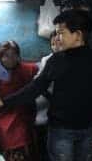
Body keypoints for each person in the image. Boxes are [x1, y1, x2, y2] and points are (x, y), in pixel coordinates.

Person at [0, 9, 92, 161]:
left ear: (78, 35)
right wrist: (3, 102)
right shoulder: (56, 60)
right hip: (61, 132)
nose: (57, 38)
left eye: (61, 33)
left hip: (88, 131)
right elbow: (35, 88)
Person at [0, 41, 38, 161]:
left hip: (19, 108)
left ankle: (22, 156)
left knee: (23, 126)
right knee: (5, 129)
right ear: (0, 56)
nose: (11, 59)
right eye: (6, 56)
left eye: (14, 55)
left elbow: (31, 89)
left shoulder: (23, 68)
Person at [34, 31, 61, 161]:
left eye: (58, 42)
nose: (55, 46)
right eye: (52, 43)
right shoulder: (47, 60)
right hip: (47, 101)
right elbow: (39, 84)